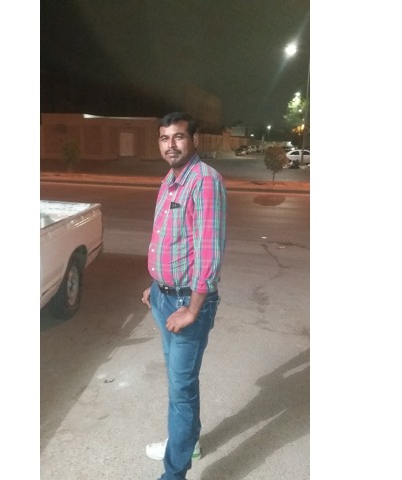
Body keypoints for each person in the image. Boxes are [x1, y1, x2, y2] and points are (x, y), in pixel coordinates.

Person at [141, 112, 227, 480]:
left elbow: (208, 254)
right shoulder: (171, 180)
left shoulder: (204, 181)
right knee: (181, 384)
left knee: (180, 391)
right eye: (164, 138)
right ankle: (186, 442)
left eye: (178, 137)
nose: (170, 145)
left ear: (194, 140)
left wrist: (192, 309)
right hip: (164, 298)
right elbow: (169, 240)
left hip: (186, 304)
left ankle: (173, 473)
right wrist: (156, 284)